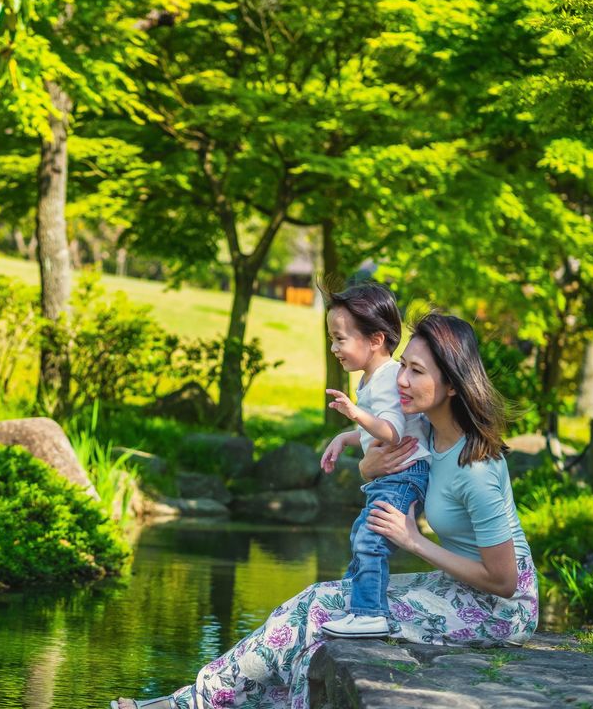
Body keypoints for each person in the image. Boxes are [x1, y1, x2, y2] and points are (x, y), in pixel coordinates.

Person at [113, 313, 537, 709]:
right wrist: (368, 464)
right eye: (403, 365)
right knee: (315, 598)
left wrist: (413, 542)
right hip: (459, 588)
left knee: (323, 624)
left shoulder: (477, 468)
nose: (401, 380)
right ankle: (193, 701)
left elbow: (504, 581)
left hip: (500, 611)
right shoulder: (426, 432)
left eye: (417, 372)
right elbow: (377, 467)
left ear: (453, 386)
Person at [317, 283, 430, 638]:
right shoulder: (374, 378)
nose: (334, 348)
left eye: (340, 339)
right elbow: (374, 432)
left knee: (371, 539)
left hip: (404, 473)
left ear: (375, 339)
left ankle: (370, 613)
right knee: (362, 533)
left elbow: (391, 433)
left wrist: (354, 414)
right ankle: (357, 603)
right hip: (394, 474)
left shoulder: (386, 380)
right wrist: (345, 437)